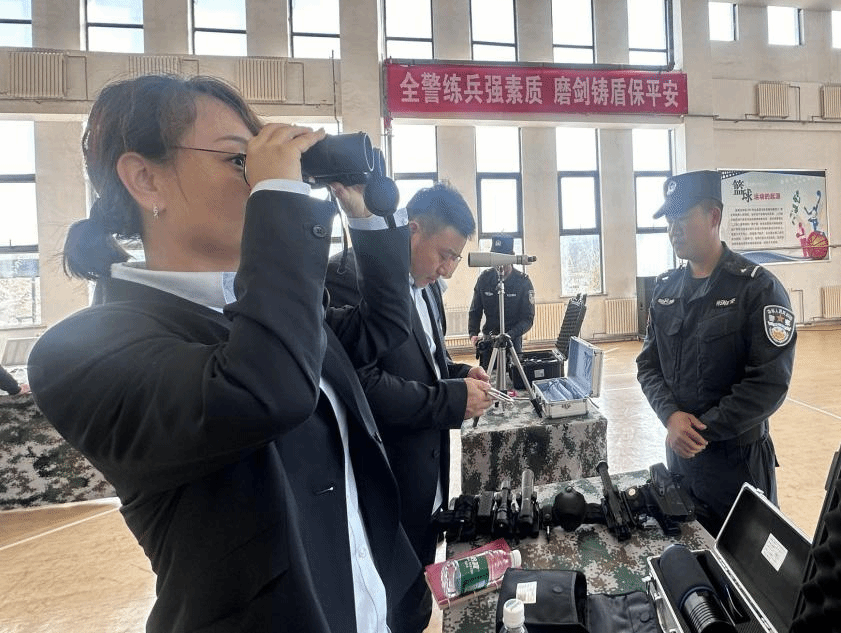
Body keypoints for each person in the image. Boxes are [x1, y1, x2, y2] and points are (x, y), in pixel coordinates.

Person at [26, 74, 421, 633]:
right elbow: (264, 391)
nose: (260, 179)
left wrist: (360, 212)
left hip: (371, 610)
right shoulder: (81, 352)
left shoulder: (276, 310)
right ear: (146, 180)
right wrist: (280, 199)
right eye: (241, 161)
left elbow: (383, 327)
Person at [328, 181, 493, 633]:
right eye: (444, 254)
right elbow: (361, 386)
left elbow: (429, 362)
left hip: (426, 483)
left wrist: (461, 373)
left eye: (456, 258)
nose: (447, 269)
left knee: (416, 600)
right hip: (385, 486)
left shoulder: (428, 288)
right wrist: (451, 399)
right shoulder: (348, 276)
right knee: (389, 608)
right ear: (413, 230)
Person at [636, 170, 796, 537]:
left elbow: (769, 384)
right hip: (681, 460)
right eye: (669, 221)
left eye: (682, 218)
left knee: (744, 561)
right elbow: (648, 365)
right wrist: (670, 416)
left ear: (713, 216)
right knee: (691, 552)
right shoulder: (666, 291)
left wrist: (697, 431)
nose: (673, 230)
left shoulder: (757, 289)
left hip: (736, 466)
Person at [467, 235, 535, 370]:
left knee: (513, 379)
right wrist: (473, 334)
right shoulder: (484, 279)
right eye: (495, 259)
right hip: (489, 342)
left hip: (512, 341)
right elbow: (475, 310)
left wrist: (510, 335)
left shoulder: (523, 282)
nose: (499, 265)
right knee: (488, 380)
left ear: (511, 257)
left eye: (502, 259)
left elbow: (528, 318)